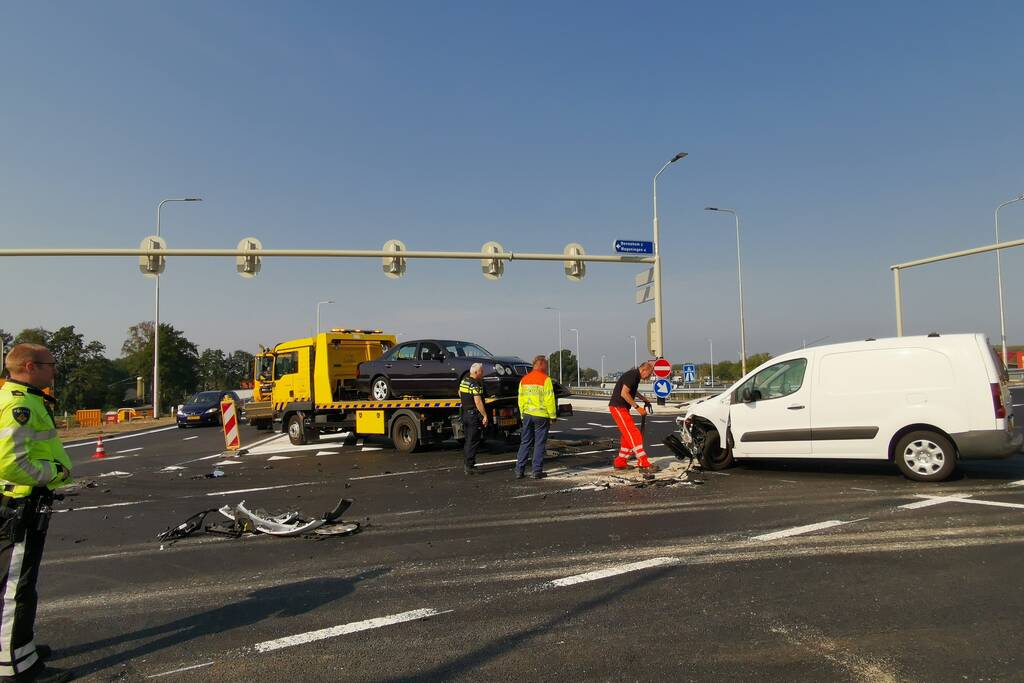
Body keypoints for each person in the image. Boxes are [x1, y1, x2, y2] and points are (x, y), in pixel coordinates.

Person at [0, 344, 74, 683]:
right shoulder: (20, 405)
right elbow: (12, 463)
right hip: (20, 506)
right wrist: (55, 472)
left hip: (16, 504)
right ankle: (17, 669)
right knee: (17, 588)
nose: (54, 371)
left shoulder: (16, 397)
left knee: (16, 585)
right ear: (30, 366)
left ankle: (20, 648)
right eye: (50, 365)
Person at [608, 360, 659, 473]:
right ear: (644, 370)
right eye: (650, 374)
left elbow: (632, 391)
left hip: (622, 408)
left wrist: (643, 399)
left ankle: (620, 462)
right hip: (618, 407)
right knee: (633, 433)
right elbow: (624, 393)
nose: (649, 376)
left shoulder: (635, 376)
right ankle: (643, 462)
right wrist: (637, 407)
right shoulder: (632, 375)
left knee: (627, 436)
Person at [516, 355, 556, 480]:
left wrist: (522, 414)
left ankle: (519, 470)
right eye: (546, 365)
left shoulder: (524, 379)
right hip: (541, 415)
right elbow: (549, 399)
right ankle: (536, 471)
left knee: (525, 442)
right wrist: (553, 415)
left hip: (527, 415)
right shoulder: (545, 379)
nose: (547, 368)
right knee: (539, 444)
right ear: (541, 364)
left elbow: (520, 399)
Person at [458, 363, 488, 475]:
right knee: (473, 441)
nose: (483, 373)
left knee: (468, 440)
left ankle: (467, 463)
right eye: (481, 371)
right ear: (476, 372)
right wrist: (484, 415)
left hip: (465, 413)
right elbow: (478, 401)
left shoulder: (464, 381)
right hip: (473, 415)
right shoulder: (475, 384)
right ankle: (469, 466)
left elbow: (460, 393)